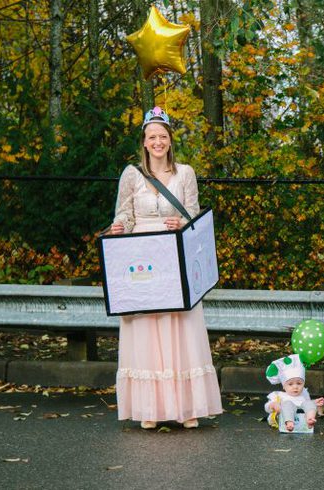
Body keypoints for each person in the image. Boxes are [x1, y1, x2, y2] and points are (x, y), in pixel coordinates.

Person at [109, 106, 223, 430]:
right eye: (152, 137)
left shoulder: (185, 173)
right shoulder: (131, 175)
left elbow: (195, 216)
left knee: (179, 328)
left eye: (163, 136)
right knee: (148, 329)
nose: (158, 142)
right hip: (142, 259)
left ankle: (187, 407)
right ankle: (150, 409)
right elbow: (124, 215)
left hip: (174, 256)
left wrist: (181, 221)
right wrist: (119, 227)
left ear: (170, 140)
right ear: (144, 142)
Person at [264, 354, 324, 431]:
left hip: (302, 418)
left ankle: (310, 419)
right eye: (290, 384)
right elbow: (267, 407)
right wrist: (272, 405)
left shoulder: (304, 393)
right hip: (284, 417)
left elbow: (305, 404)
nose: (295, 387)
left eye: (299, 383)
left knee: (309, 403)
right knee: (287, 404)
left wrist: (314, 402)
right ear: (284, 386)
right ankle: (289, 422)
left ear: (303, 384)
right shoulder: (278, 395)